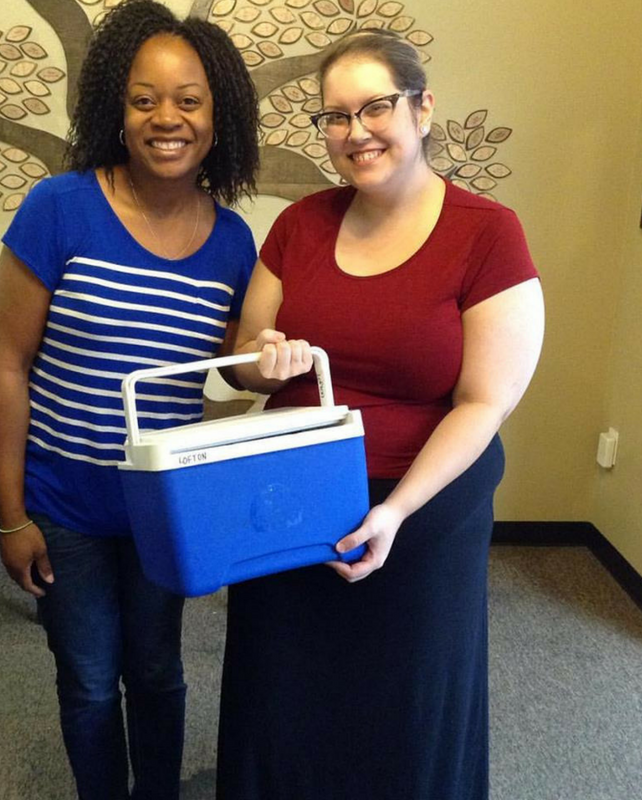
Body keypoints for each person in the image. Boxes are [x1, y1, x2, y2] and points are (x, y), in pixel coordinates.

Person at [217, 29, 544, 800]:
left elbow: (483, 402)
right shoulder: (299, 226)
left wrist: (393, 512)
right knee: (283, 690)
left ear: (422, 108)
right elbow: (243, 363)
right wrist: (263, 361)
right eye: (335, 116)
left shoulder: (488, 235)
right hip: (294, 499)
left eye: (375, 107)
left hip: (421, 506)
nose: (355, 132)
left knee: (402, 701)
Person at [0, 2, 259, 798]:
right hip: (63, 509)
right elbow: (5, 366)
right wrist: (11, 516)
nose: (166, 119)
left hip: (160, 511)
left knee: (160, 674)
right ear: (117, 108)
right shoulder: (58, 208)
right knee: (92, 682)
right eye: (144, 99)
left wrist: (271, 364)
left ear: (219, 115)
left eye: (189, 100)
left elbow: (235, 371)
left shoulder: (233, 242)